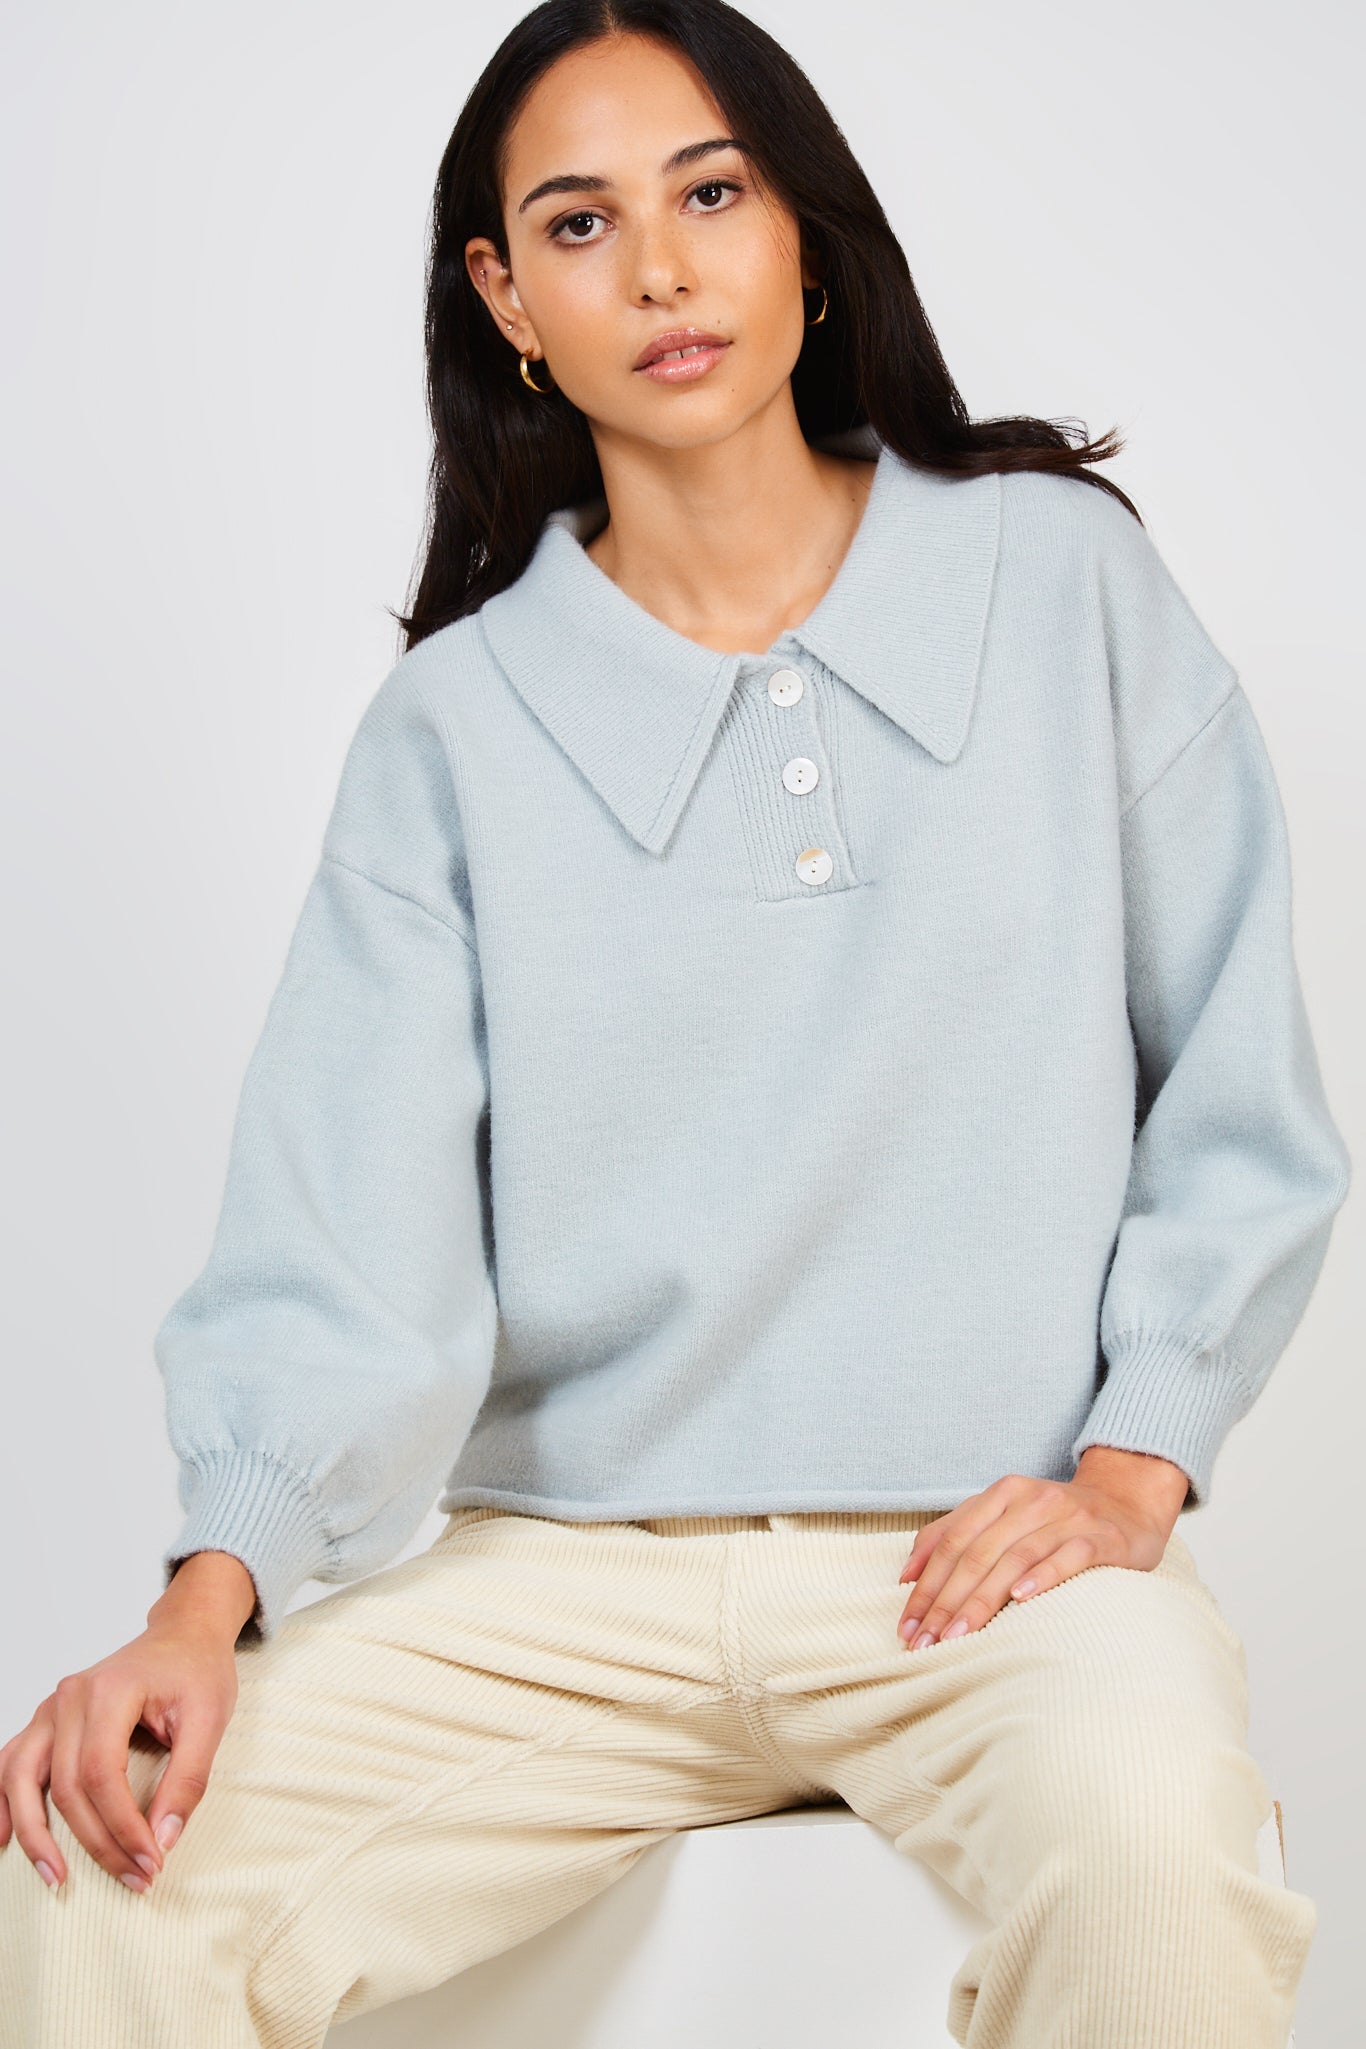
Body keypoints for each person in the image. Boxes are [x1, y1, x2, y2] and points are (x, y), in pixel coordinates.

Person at [0, 4, 1349, 2044]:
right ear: (504, 300)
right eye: (578, 223)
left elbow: (1237, 1095)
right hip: (561, 1585)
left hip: (984, 1564)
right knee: (102, 1876)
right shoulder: (453, 730)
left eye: (709, 193)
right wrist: (206, 1595)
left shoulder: (1059, 585)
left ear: (803, 231)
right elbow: (340, 1229)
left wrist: (1129, 1467)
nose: (657, 269)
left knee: (1156, 1864)